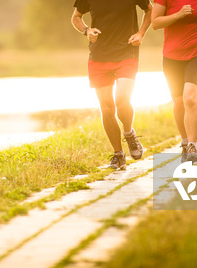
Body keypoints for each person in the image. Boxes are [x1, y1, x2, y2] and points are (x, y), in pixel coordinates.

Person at [71, 0, 153, 170]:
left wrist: (141, 33)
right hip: (98, 55)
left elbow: (149, 9)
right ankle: (118, 155)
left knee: (122, 100)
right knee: (107, 108)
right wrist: (86, 30)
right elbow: (76, 17)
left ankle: (129, 133)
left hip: (126, 52)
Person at [151, 0, 197, 162]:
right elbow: (155, 23)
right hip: (171, 57)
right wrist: (179, 14)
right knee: (179, 102)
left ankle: (193, 146)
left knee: (189, 98)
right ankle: (185, 142)